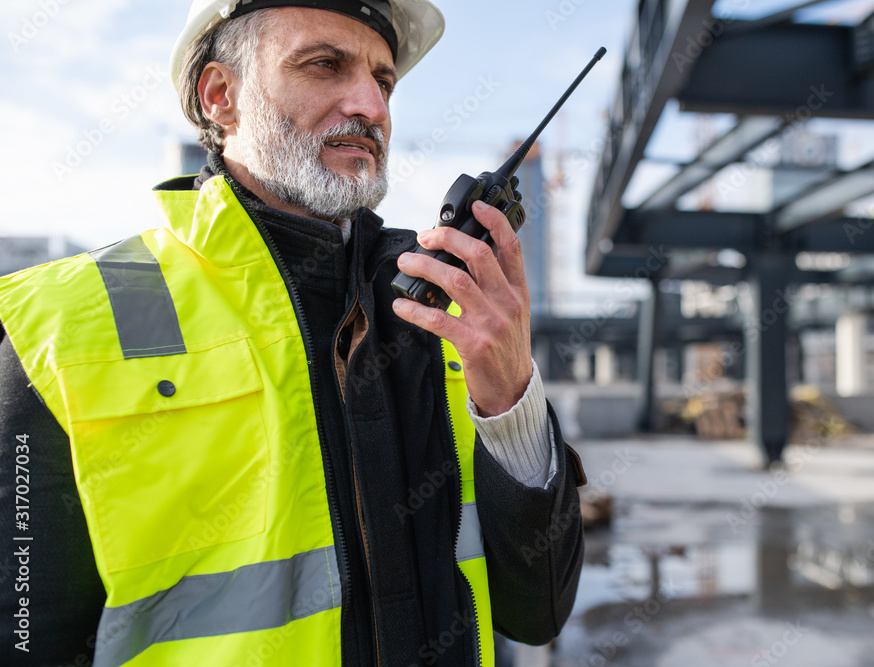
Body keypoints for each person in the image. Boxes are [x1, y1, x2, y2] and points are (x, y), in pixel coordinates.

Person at [0, 1, 585, 665]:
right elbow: (25, 635)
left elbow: (534, 612)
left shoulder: (437, 314)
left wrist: (511, 395)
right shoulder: (58, 325)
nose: (369, 104)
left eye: (384, 81)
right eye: (324, 65)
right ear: (221, 96)